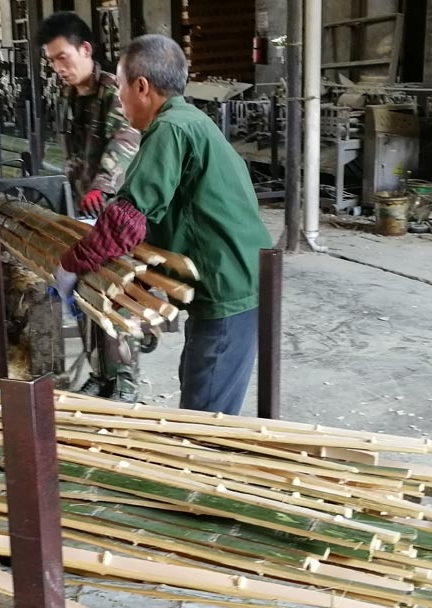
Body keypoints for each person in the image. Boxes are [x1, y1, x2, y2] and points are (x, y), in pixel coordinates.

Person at [54, 34, 272, 415]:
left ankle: (207, 473)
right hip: (234, 281)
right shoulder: (190, 120)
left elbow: (127, 220)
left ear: (141, 86)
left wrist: (72, 264)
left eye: (120, 87)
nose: (119, 99)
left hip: (228, 289)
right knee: (198, 389)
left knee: (203, 422)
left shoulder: (170, 129)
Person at [38, 12, 143, 402]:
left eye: (63, 57)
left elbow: (126, 139)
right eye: (52, 61)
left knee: (116, 294)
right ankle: (101, 373)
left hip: (116, 212)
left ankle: (126, 379)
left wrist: (102, 185)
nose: (59, 67)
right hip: (84, 210)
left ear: (86, 50)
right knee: (84, 293)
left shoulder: (113, 89)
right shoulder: (67, 98)